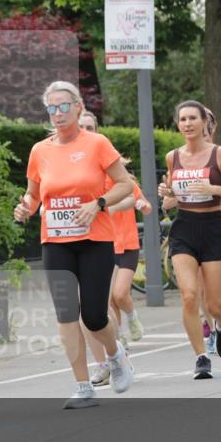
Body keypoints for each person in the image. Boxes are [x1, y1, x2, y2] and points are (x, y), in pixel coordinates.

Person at [14, 81, 135, 408]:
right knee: (66, 315)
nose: (58, 113)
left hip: (95, 239)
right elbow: (34, 193)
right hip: (56, 241)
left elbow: (125, 186)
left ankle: (115, 354)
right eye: (51, 108)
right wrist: (25, 206)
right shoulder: (40, 150)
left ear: (78, 107)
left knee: (94, 316)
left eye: (64, 106)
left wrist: (97, 203)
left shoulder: (97, 144)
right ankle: (83, 386)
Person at [157, 100, 221, 379]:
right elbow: (170, 201)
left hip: (213, 227)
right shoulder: (173, 157)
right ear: (178, 124)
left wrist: (214, 188)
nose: (187, 124)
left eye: (192, 119)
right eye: (182, 119)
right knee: (188, 296)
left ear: (203, 123)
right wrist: (166, 194)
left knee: (214, 304)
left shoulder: (220, 154)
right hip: (184, 226)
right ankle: (200, 357)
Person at [77, 112, 152, 386]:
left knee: (119, 295)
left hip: (125, 243)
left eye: (89, 127)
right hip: (96, 244)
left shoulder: (110, 166)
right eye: (81, 126)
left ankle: (129, 324)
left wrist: (105, 205)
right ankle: (113, 352)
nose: (83, 131)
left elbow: (132, 196)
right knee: (101, 304)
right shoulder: (76, 171)